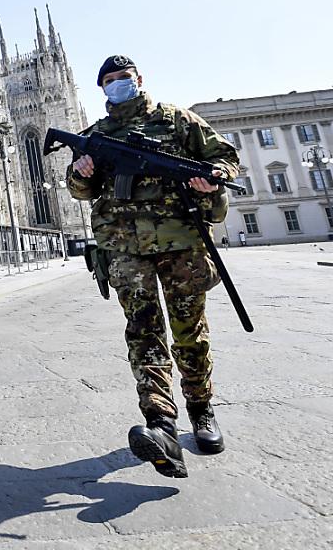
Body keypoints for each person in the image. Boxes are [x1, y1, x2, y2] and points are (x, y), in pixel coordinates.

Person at [66, 55, 239, 478]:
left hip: (181, 243)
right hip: (125, 248)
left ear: (139, 79)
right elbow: (80, 190)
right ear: (101, 88)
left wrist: (213, 175)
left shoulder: (178, 120)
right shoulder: (96, 135)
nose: (117, 84)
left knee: (189, 331)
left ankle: (200, 407)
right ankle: (161, 422)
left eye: (123, 78)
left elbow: (225, 156)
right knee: (143, 334)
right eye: (109, 80)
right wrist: (81, 173)